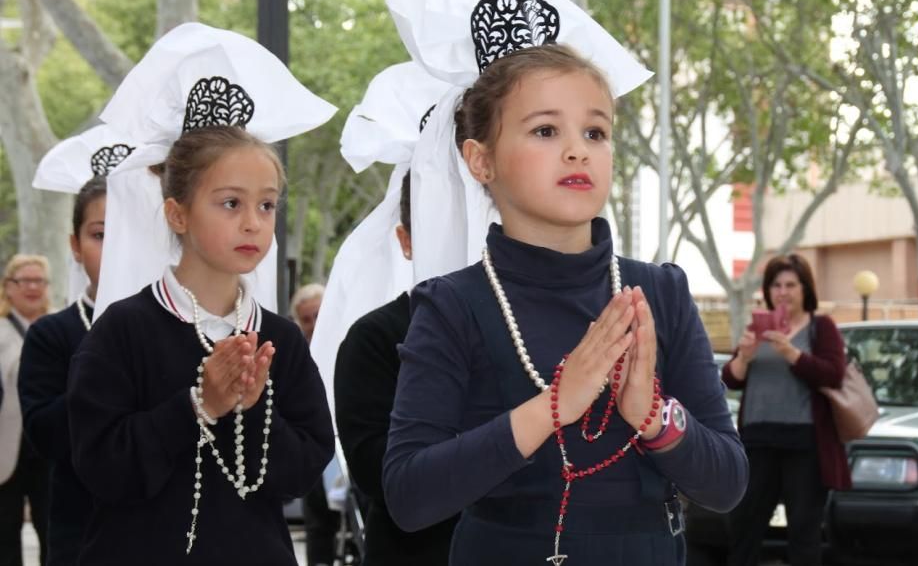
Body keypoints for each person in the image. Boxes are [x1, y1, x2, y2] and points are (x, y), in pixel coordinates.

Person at [383, 44, 748, 565]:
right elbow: (409, 495)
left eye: (595, 132)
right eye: (546, 131)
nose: (578, 151)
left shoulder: (660, 293)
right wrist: (555, 406)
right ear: (480, 160)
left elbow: (728, 484)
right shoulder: (452, 306)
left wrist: (652, 417)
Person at [66, 23, 337, 566]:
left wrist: (254, 408)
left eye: (266, 205)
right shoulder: (124, 329)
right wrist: (199, 405)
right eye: (230, 203)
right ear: (177, 213)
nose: (254, 224)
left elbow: (305, 466)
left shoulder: (277, 336)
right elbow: (101, 467)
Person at [335, 170, 458, 565]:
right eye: (441, 223)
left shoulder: (520, 328)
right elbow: (378, 471)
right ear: (406, 240)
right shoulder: (374, 337)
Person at [722, 254, 850, 566]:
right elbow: (730, 379)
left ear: (805, 288)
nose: (783, 291)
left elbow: (834, 374)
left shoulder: (821, 327)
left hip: (804, 445)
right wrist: (745, 356)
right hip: (757, 441)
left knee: (804, 534)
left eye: (790, 284)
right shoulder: (758, 326)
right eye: (776, 285)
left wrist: (791, 353)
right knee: (743, 529)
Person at [17, 178, 106, 566]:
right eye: (100, 234)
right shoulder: (53, 334)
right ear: (75, 245)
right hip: (84, 535)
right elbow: (46, 435)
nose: (118, 249)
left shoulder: (187, 327)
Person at [0, 254, 52, 566]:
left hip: (47, 445)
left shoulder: (58, 326)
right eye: (24, 281)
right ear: (8, 287)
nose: (32, 287)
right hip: (7, 446)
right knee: (4, 531)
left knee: (51, 527)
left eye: (39, 281)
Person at [291, 282, 342, 566]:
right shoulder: (297, 356)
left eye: (318, 315)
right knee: (318, 521)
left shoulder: (351, 342)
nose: (313, 324)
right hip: (315, 444)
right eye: (306, 319)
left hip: (346, 441)